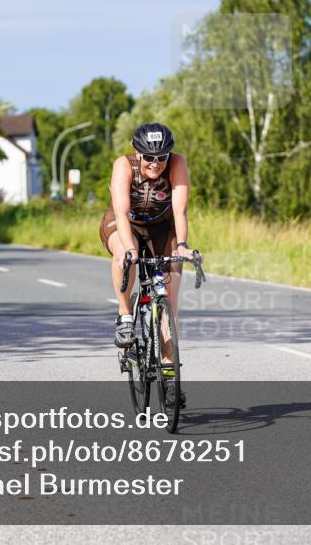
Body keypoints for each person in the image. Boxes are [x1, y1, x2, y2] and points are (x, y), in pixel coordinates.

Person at [99, 122, 194, 407]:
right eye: (149, 157)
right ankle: (125, 313)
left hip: (162, 228)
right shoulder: (124, 165)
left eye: (161, 157)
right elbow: (121, 210)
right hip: (125, 224)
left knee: (170, 303)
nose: (155, 164)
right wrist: (130, 248)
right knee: (123, 254)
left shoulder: (177, 163)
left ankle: (169, 377)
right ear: (136, 152)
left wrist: (183, 247)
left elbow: (180, 210)